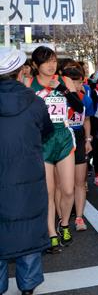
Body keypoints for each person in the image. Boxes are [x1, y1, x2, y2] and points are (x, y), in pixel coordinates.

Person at [0, 48, 53, 295]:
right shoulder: (35, 102)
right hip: (28, 178)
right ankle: (28, 286)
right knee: (29, 231)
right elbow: (47, 132)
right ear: (21, 72)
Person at [28, 46, 84, 254]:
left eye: (53, 60)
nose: (52, 65)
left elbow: (79, 108)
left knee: (68, 190)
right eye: (46, 61)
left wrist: (63, 89)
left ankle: (64, 223)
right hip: (41, 141)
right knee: (49, 192)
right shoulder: (29, 85)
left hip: (63, 138)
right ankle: (51, 233)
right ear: (36, 65)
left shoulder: (65, 81)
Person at [62, 68, 95, 231]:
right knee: (63, 183)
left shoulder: (86, 99)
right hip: (63, 139)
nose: (77, 84)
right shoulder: (58, 98)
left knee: (80, 181)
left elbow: (87, 119)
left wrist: (88, 139)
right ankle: (63, 216)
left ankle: (80, 217)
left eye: (80, 81)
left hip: (80, 138)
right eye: (73, 81)